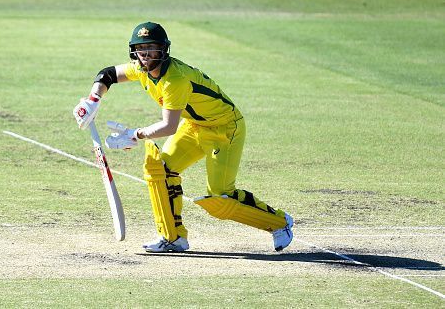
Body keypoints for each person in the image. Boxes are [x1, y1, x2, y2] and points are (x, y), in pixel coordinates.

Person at [73, 22, 293, 253]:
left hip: (224, 129)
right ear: (134, 51)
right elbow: (107, 74)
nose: (146, 55)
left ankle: (280, 223)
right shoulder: (140, 67)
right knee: (160, 169)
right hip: (195, 125)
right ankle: (173, 237)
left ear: (164, 50)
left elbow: (168, 126)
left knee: (220, 196)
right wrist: (93, 100)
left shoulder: (175, 80)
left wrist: (135, 135)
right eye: (141, 49)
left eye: (152, 49)